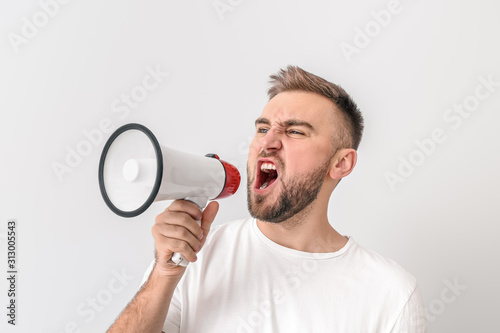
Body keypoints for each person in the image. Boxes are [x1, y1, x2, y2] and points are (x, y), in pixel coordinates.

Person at [107, 66, 427, 332]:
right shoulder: (194, 256)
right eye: (262, 129)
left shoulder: (391, 293)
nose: (268, 143)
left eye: (295, 132)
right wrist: (162, 277)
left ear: (341, 163)